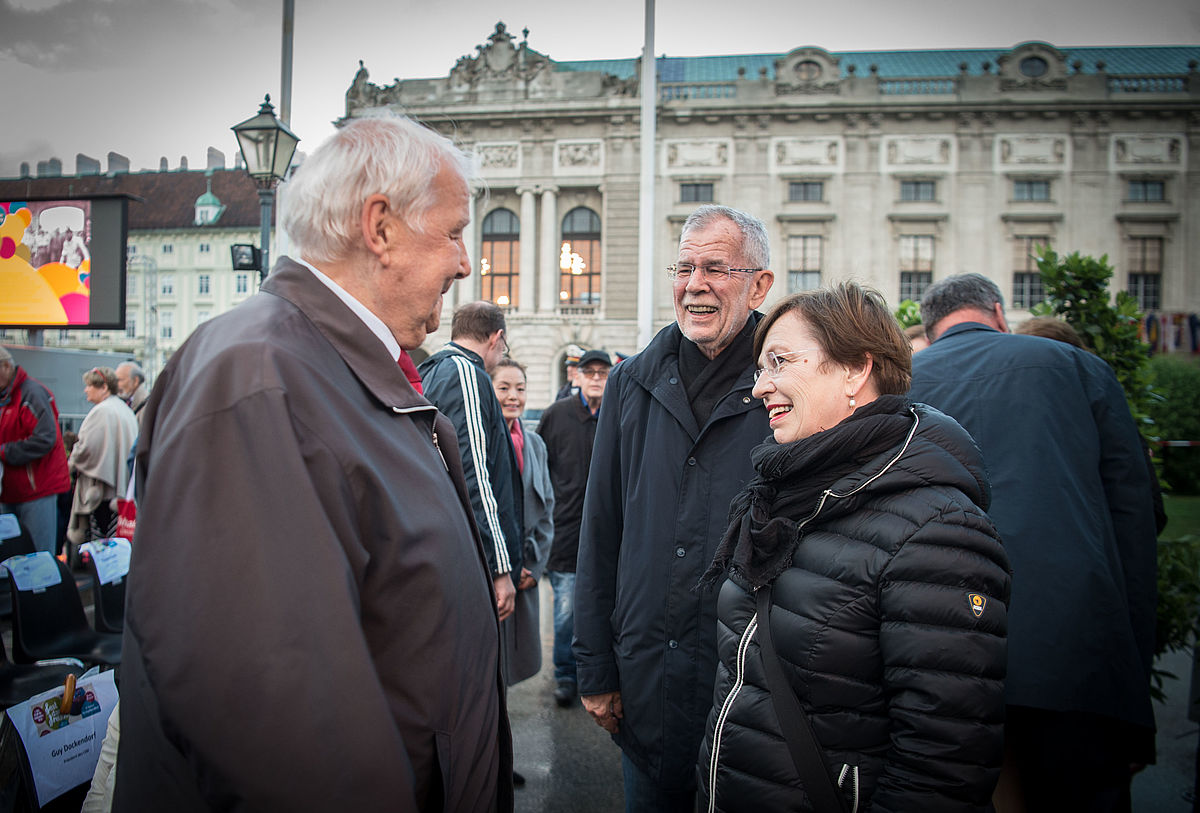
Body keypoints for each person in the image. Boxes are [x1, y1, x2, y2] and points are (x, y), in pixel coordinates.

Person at [114, 115, 514, 811]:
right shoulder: (259, 377)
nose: (464, 262)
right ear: (379, 228)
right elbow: (278, 718)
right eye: (452, 231)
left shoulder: (330, 365)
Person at [697, 283, 1010, 812]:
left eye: (779, 362)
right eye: (760, 368)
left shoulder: (938, 531)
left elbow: (943, 765)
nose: (759, 388)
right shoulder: (783, 497)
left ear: (855, 371)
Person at [908, 273, 1158, 812]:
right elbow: (1135, 521)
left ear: (929, 329)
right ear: (998, 311)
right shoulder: (1078, 366)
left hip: (937, 644)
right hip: (1074, 641)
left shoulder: (900, 382)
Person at [574, 204, 775, 810]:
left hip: (754, 688)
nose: (694, 285)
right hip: (648, 681)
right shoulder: (632, 382)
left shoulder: (785, 383)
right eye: (684, 267)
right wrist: (595, 671)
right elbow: (601, 529)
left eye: (716, 267)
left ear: (759, 285)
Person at [419, 301, 524, 623]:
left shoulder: (434, 370)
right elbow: (474, 474)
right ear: (496, 338)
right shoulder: (464, 372)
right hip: (471, 557)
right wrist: (500, 566)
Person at [536, 348, 611, 708]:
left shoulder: (619, 413)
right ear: (576, 376)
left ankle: (596, 674)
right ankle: (566, 675)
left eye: (602, 372)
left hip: (608, 534)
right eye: (589, 372)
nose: (596, 378)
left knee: (604, 608)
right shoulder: (556, 415)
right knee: (566, 611)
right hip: (565, 532)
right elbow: (538, 472)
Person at [0, 347, 71, 554]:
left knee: (38, 556)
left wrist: (5, 452)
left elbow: (45, 439)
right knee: (11, 556)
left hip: (36, 490)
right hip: (10, 490)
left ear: (6, 366)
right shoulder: (8, 394)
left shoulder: (32, 394)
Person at [66, 367, 137, 552]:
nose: (86, 389)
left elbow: (86, 449)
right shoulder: (125, 409)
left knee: (101, 545)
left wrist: (70, 465)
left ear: (104, 387)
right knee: (116, 542)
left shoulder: (101, 411)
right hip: (121, 487)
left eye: (90, 385)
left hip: (102, 490)